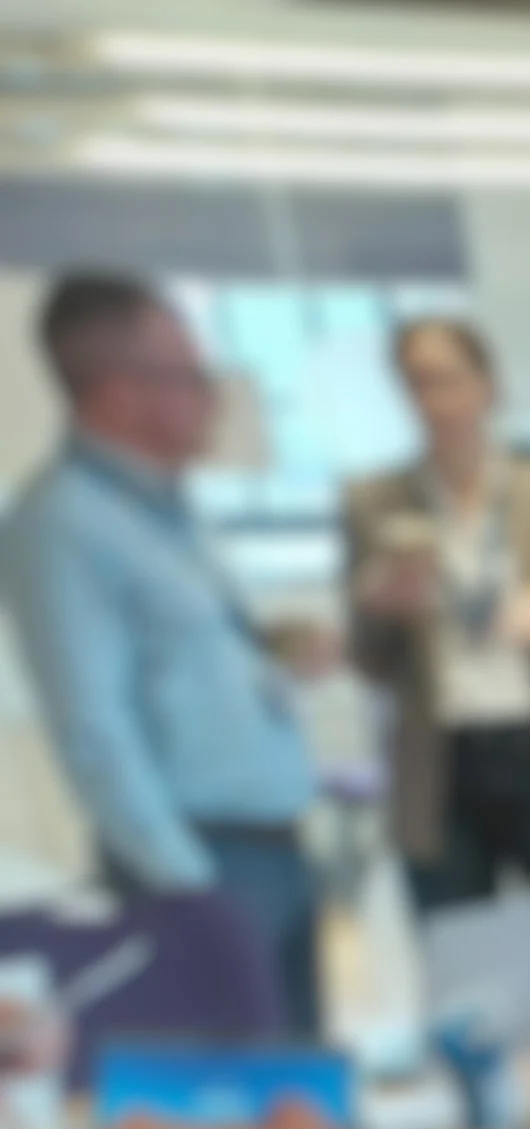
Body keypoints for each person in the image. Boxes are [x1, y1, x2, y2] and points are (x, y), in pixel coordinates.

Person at [0, 274, 322, 1037]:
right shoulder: (62, 523)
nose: (211, 396)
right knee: (235, 1122)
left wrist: (276, 672)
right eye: (189, 375)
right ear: (119, 392)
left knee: (305, 1112)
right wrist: (193, 894)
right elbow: (93, 730)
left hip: (270, 852)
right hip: (199, 864)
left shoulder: (171, 510)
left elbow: (187, 676)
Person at [344, 315, 530, 914]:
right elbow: (367, 658)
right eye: (417, 383)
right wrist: (379, 606)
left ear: (487, 386)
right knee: (463, 952)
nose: (436, 401)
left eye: (448, 380)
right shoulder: (373, 502)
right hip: (441, 757)